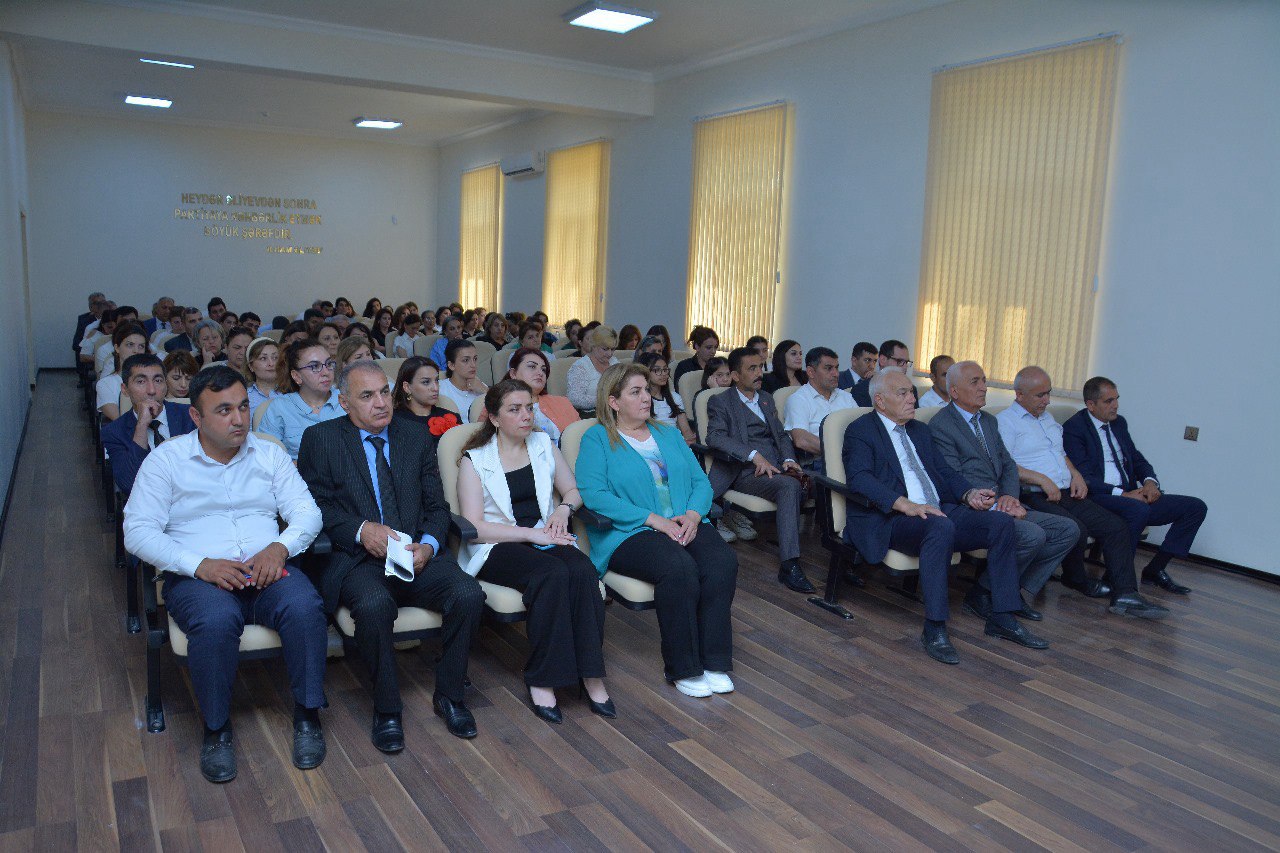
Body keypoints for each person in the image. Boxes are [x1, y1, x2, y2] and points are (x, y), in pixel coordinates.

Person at [124, 366, 328, 783]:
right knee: (216, 621)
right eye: (224, 410)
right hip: (200, 577)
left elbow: (307, 512)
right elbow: (138, 531)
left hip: (267, 568)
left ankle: (308, 716)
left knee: (305, 607)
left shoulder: (268, 454)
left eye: (243, 407)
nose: (239, 419)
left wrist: (279, 548)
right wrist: (200, 564)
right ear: (196, 417)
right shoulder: (167, 461)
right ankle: (216, 730)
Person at [298, 361, 485, 745]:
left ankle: (450, 695)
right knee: (374, 606)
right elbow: (315, 508)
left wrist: (429, 545)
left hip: (416, 553)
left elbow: (437, 507)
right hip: (358, 559)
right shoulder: (321, 439)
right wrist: (361, 530)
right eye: (367, 396)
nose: (381, 403)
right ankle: (386, 708)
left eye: (384, 392)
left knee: (468, 593)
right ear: (344, 402)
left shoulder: (414, 436)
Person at [843, 368, 1050, 664]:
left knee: (1001, 523)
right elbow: (860, 478)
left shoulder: (919, 430)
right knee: (939, 527)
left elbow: (944, 472)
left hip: (937, 509)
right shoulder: (861, 430)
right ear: (880, 400)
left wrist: (969, 494)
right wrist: (904, 504)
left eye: (912, 392)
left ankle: (1002, 616)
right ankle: (935, 626)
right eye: (903, 393)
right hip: (893, 518)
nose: (912, 398)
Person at [576, 363, 737, 698]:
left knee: (721, 561)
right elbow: (594, 495)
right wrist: (653, 519)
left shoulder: (668, 433)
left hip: (682, 522)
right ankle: (684, 668)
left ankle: (714, 661)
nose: (646, 397)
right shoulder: (597, 439)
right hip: (630, 531)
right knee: (678, 567)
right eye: (635, 392)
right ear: (614, 401)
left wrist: (692, 515)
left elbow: (700, 482)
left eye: (646, 390)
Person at [456, 380, 612, 723]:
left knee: (582, 570)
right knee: (551, 574)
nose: (526, 415)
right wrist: (532, 534)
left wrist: (563, 511)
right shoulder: (475, 460)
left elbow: (572, 490)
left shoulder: (543, 444)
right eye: (514, 410)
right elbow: (475, 527)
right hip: (496, 545)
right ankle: (543, 677)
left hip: (544, 533)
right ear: (494, 418)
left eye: (529, 407)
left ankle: (591, 674)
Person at [928, 361, 1101, 619]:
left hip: (1003, 500)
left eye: (984, 380)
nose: (984, 387)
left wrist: (1009, 496)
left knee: (1068, 530)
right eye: (975, 382)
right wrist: (996, 504)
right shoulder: (941, 425)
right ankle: (987, 594)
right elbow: (953, 478)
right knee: (1033, 535)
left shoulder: (987, 421)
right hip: (974, 507)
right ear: (954, 391)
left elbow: (1008, 464)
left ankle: (1007, 590)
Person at [998, 367, 1164, 617]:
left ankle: (1126, 594)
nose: (1047, 400)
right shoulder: (1005, 422)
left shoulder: (1047, 419)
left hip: (1064, 491)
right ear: (1019, 395)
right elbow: (1004, 464)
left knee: (1115, 526)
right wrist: (1041, 479)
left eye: (1048, 393)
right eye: (1040, 395)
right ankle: (1076, 579)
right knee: (1077, 528)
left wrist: (1076, 475)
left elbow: (1061, 454)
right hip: (1032, 494)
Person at [1063, 376, 1207, 595]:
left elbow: (1136, 459)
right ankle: (1117, 578)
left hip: (1132, 495)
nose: (1116, 405)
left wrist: (1150, 482)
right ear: (1090, 404)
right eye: (1109, 401)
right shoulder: (1074, 428)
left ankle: (1155, 569)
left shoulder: (1118, 423)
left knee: (1195, 507)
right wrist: (1124, 495)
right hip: (1099, 497)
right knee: (1137, 510)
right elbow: (1085, 477)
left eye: (1117, 399)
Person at [705, 347, 813, 594]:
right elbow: (715, 437)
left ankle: (847, 560)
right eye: (751, 368)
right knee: (789, 486)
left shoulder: (765, 398)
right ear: (735, 375)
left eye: (760, 367)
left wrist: (789, 458)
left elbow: (781, 435)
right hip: (745, 472)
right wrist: (753, 455)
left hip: (779, 468)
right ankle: (790, 565)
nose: (759, 373)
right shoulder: (720, 401)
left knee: (821, 482)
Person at [101, 354, 196, 493]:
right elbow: (129, 484)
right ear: (125, 389)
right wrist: (141, 425)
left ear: (166, 385)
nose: (151, 390)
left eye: (158, 381)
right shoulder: (114, 432)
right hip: (149, 502)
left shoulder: (191, 416)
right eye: (141, 381)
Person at [258, 339, 344, 459]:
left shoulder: (346, 399)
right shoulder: (280, 408)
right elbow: (265, 457)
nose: (326, 372)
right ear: (297, 376)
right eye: (315, 366)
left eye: (329, 364)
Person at [782, 346, 856, 467]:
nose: (836, 374)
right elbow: (801, 440)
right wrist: (842, 451)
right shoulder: (798, 399)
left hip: (853, 458)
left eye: (836, 368)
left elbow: (862, 428)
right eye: (828, 368)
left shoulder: (846, 397)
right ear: (811, 372)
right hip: (820, 462)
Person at [505, 347, 580, 440]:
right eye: (532, 367)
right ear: (513, 374)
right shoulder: (500, 405)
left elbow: (581, 437)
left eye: (543, 370)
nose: (540, 373)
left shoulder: (562, 403)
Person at [635, 351, 695, 444]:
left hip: (675, 443)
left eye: (665, 369)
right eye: (657, 370)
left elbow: (686, 431)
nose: (663, 374)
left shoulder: (675, 397)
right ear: (645, 372)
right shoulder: (640, 399)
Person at [393, 356, 461, 436]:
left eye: (436, 380)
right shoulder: (394, 421)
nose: (435, 388)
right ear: (407, 387)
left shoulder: (452, 418)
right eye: (426, 382)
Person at [96, 322, 149, 421]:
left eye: (141, 346)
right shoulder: (105, 384)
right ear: (117, 348)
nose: (136, 351)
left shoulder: (153, 380)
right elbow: (120, 421)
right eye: (130, 345)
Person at [566, 325, 619, 412]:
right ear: (594, 345)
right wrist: (605, 400)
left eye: (612, 349)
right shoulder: (580, 367)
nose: (610, 354)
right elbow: (574, 399)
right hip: (589, 415)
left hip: (614, 412)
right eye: (605, 349)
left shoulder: (615, 362)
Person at [851, 340, 916, 406]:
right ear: (883, 360)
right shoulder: (861, 390)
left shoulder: (911, 389)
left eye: (907, 362)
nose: (905, 367)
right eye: (900, 361)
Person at [438, 338, 487, 422]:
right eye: (466, 360)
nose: (473, 365)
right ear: (451, 365)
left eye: (475, 359)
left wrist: (485, 390)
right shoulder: (439, 389)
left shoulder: (481, 386)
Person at [245, 338, 281, 418]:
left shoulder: (291, 393)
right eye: (263, 358)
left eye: (275, 358)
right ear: (251, 366)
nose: (271, 363)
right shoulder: (244, 396)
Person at [73, 292, 108, 362]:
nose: (100, 305)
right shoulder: (84, 320)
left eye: (103, 303)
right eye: (97, 303)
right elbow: (76, 344)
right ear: (90, 307)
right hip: (90, 355)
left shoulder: (112, 318)